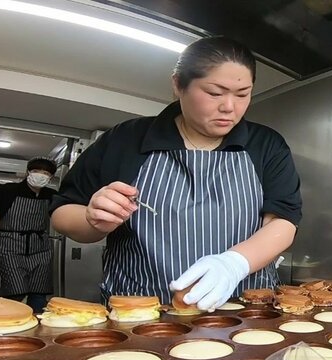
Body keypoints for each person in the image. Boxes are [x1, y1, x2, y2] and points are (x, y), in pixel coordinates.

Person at [51, 37, 302, 311]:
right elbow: (62, 214)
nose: (230, 107)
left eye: (242, 94)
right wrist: (92, 219)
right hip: (141, 312)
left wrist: (234, 264)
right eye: (215, 93)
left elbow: (283, 222)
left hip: (244, 310)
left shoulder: (266, 145)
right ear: (178, 85)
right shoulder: (127, 139)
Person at [0, 157, 58, 313]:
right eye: (36, 171)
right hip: (10, 246)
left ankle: (36, 328)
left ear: (50, 177)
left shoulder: (51, 195)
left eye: (45, 173)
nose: (40, 175)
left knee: (39, 292)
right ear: (28, 172)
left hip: (41, 248)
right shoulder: (7, 190)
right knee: (15, 291)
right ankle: (9, 323)